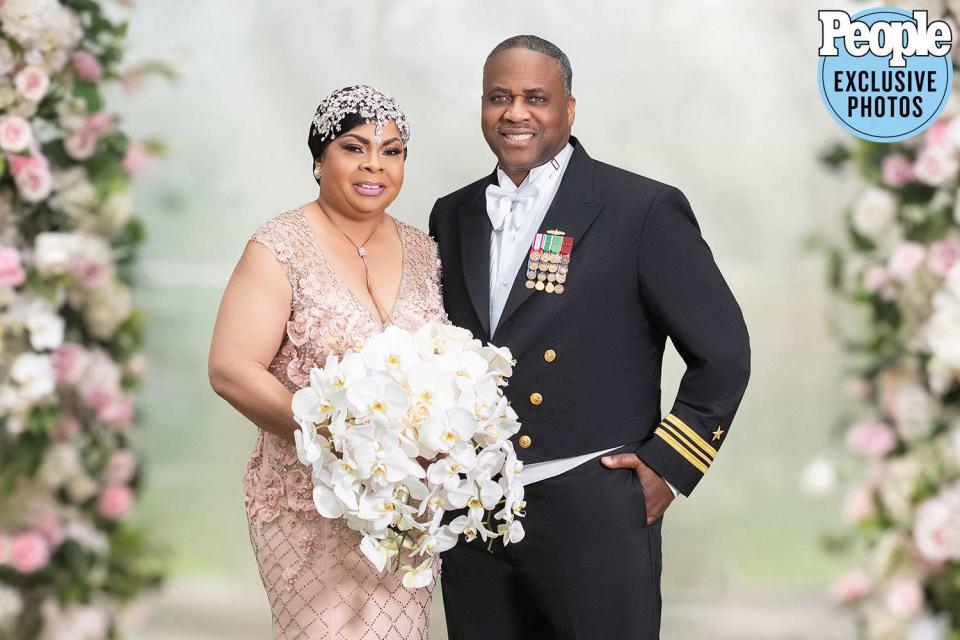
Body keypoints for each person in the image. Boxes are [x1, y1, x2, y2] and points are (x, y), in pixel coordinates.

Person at [429, 35, 751, 639]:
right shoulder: (453, 214)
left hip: (591, 502)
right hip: (473, 510)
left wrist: (670, 463)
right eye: (499, 97)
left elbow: (725, 353)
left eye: (535, 97)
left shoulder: (641, 208)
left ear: (569, 110)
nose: (515, 113)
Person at [208, 85, 445, 640]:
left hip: (403, 508)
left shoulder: (424, 249)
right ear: (318, 158)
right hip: (308, 504)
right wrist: (339, 436)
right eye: (354, 147)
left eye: (392, 151)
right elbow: (230, 369)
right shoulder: (278, 246)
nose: (374, 165)